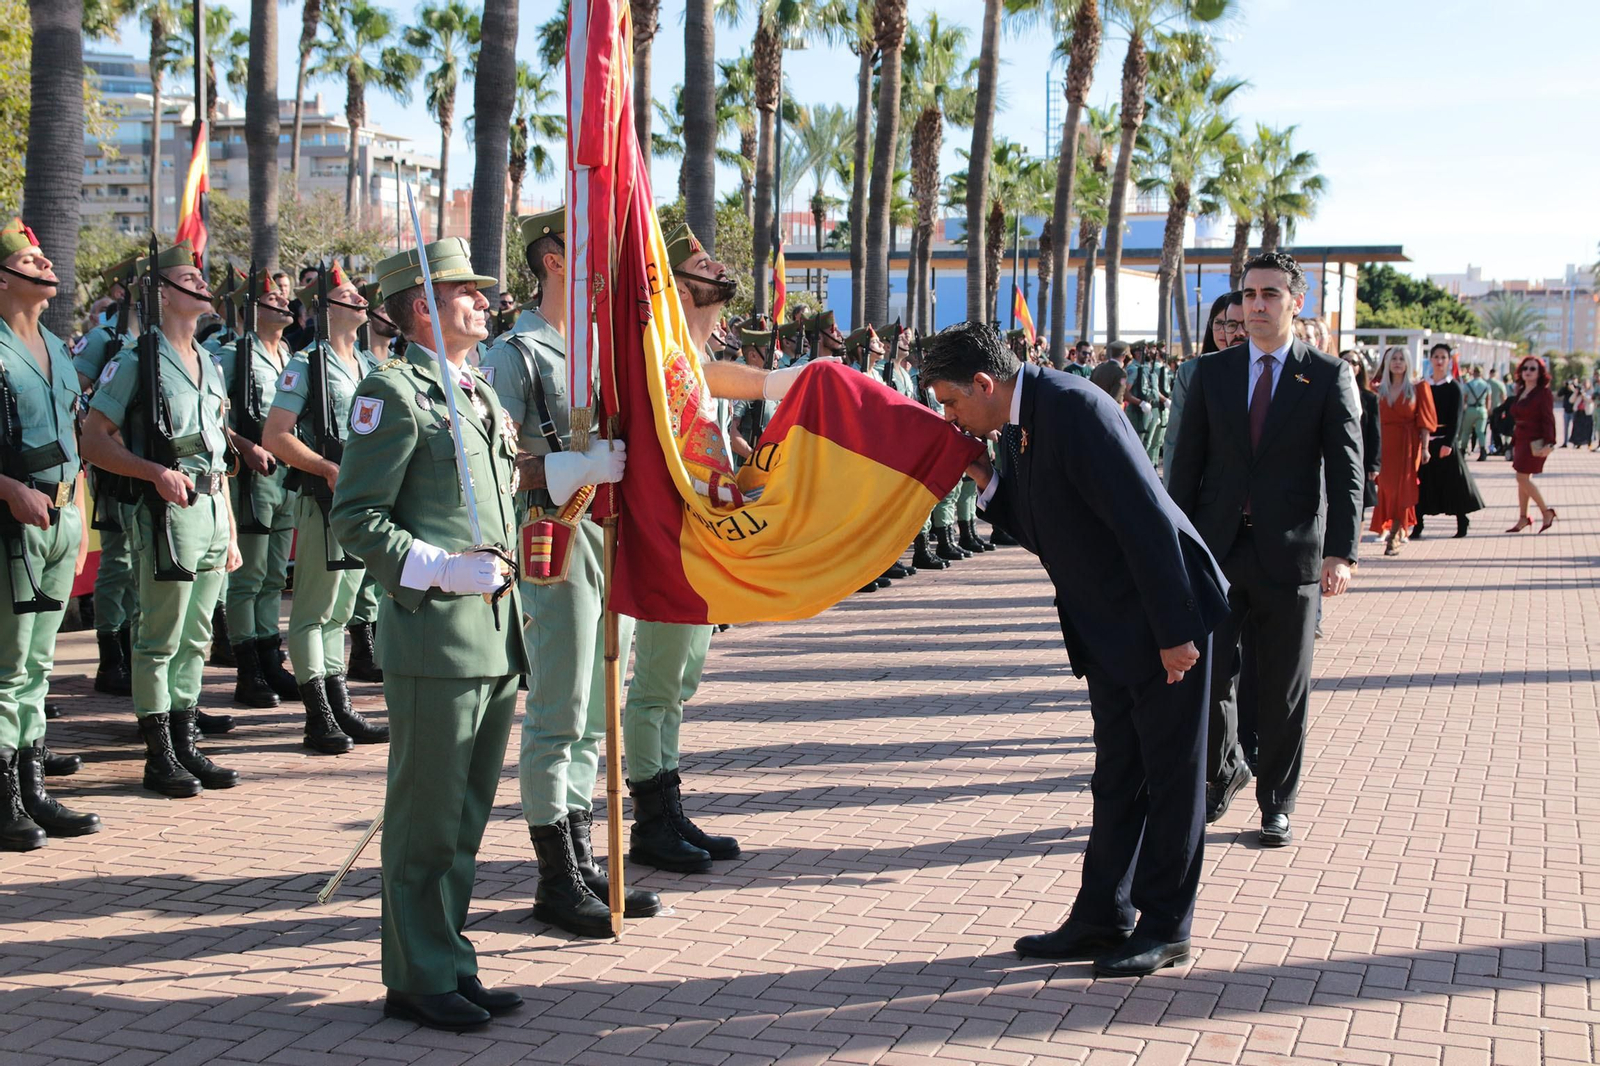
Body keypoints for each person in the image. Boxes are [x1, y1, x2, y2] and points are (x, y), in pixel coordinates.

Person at [922, 321, 1229, 978]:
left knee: (1173, 778)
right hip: (1111, 627)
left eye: (950, 402)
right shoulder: (1019, 424)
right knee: (1118, 775)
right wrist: (985, 477)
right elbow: (1048, 526)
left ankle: (1167, 925)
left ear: (983, 383)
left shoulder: (1077, 407)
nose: (950, 416)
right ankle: (1102, 913)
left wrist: (1175, 634)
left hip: (1162, 622)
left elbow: (1146, 520)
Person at [328, 237, 527, 1032]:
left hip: (493, 635)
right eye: (466, 292)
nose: (484, 301)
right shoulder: (393, 391)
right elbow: (355, 519)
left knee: (466, 817)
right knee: (424, 817)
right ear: (422, 308)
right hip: (436, 635)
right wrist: (441, 568)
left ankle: (447, 960)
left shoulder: (473, 390)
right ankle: (415, 975)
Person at [479, 208, 658, 936]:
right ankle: (556, 876)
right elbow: (486, 465)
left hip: (599, 541)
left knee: (593, 713)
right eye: (587, 255)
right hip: (547, 540)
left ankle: (584, 862)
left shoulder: (592, 348)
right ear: (554, 261)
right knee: (558, 713)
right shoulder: (514, 354)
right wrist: (566, 467)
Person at [624, 223, 809, 875]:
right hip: (670, 541)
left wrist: (785, 382)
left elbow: (713, 378)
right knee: (656, 684)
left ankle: (669, 806)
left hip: (700, 541)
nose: (719, 268)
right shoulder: (663, 353)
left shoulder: (686, 359)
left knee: (681, 681)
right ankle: (650, 819)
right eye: (702, 263)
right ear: (676, 285)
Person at [1166, 251, 1362, 849]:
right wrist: (1175, 544)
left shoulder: (1327, 377)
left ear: (1296, 303)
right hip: (1218, 552)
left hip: (1292, 557)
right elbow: (1185, 469)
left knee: (1283, 689)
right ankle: (1224, 770)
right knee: (1210, 677)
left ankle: (1276, 802)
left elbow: (1347, 471)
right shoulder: (1210, 375)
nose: (1256, 305)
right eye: (1250, 294)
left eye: (1271, 294)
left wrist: (1341, 553)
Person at [79, 241, 244, 798]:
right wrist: (151, 472)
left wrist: (230, 528)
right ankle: (160, 752)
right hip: (168, 513)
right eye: (186, 279)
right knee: (160, 636)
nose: (200, 285)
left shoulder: (211, 363)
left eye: (201, 278)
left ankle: (187, 738)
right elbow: (94, 440)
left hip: (213, 508)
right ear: (163, 293)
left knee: (198, 634)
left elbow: (220, 451)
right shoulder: (136, 360)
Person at [0, 217, 99, 850]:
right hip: (14, 519)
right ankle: (5, 795)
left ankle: (33, 786)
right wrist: (9, 489)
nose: (45, 267)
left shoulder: (60, 348)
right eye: (31, 262)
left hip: (61, 516)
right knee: (8, 667)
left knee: (40, 662)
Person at [262, 265, 388, 753]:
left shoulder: (368, 366)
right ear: (326, 306)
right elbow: (275, 435)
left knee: (343, 608)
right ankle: (318, 714)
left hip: (362, 500)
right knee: (314, 610)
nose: (359, 298)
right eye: (347, 293)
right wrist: (323, 468)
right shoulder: (305, 364)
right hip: (324, 497)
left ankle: (340, 704)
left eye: (359, 291)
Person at [213, 270, 301, 708]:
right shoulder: (233, 356)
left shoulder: (288, 355)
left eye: (284, 296)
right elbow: (213, 415)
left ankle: (270, 658)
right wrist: (244, 446)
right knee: (248, 577)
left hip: (286, 474)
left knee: (273, 574)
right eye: (271, 298)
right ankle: (247, 668)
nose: (283, 303)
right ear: (251, 308)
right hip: (253, 476)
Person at [73, 257, 141, 701]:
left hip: (154, 468)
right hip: (116, 467)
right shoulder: (105, 338)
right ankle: (111, 653)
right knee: (118, 561)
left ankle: (138, 653)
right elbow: (74, 396)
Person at [1368, 347, 1435, 556]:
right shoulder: (1378, 389)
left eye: (1401, 359)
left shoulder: (1418, 388)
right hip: (1384, 444)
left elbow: (1425, 422)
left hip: (1408, 445)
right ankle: (1389, 527)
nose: (1397, 362)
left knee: (1403, 490)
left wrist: (1425, 449)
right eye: (1393, 359)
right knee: (1386, 488)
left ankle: (1395, 534)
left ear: (1408, 363)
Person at [1413, 344, 1484, 539]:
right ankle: (1418, 525)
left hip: (1445, 442)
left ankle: (1462, 521)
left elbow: (1457, 418)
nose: (1439, 360)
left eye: (1443, 357)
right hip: (1425, 441)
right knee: (1423, 484)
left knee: (1454, 484)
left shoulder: (1454, 387)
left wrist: (1449, 443)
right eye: (1435, 356)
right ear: (1431, 359)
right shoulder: (1423, 386)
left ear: (1448, 360)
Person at [1506, 356, 1557, 533]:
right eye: (1525, 368)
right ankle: (1523, 517)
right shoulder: (1521, 390)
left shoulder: (1543, 393)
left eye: (1533, 369)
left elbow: (1548, 419)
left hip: (1535, 440)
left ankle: (1546, 511)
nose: (1528, 371)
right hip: (1520, 438)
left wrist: (1550, 443)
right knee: (1523, 479)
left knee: (1521, 477)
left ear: (1540, 373)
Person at [1341, 351, 1382, 519]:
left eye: (1354, 362)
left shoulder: (1370, 398)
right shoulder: (1329, 391)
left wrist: (1374, 464)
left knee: (1359, 507)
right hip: (1338, 453)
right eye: (1346, 361)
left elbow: (1375, 433)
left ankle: (1356, 544)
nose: (1350, 365)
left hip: (1361, 456)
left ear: (1360, 368)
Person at [1461, 365, 1492, 458]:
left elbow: (1464, 399)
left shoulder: (1468, 384)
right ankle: (1483, 451)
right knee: (1481, 432)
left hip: (1470, 409)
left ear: (1473, 373)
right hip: (1482, 409)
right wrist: (1488, 410)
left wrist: (1463, 409)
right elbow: (1488, 400)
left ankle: (1462, 451)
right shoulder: (1486, 385)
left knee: (1466, 431)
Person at [1483, 368, 1508, 459]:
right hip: (1497, 410)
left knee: (1483, 431)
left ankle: (1484, 449)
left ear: (1489, 373)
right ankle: (1496, 447)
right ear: (1496, 374)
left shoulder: (1484, 383)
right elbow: (1504, 398)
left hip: (1484, 409)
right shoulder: (1500, 384)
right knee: (1495, 431)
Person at [1570, 380, 1593, 449]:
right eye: (1584, 383)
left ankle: (1589, 443)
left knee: (1588, 429)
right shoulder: (1579, 391)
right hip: (1579, 412)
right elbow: (1571, 400)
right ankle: (1577, 443)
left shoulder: (1591, 391)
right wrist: (1576, 393)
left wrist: (1583, 394)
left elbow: (1590, 400)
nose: (1585, 385)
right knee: (1578, 429)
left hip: (1587, 412)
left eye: (1586, 383)